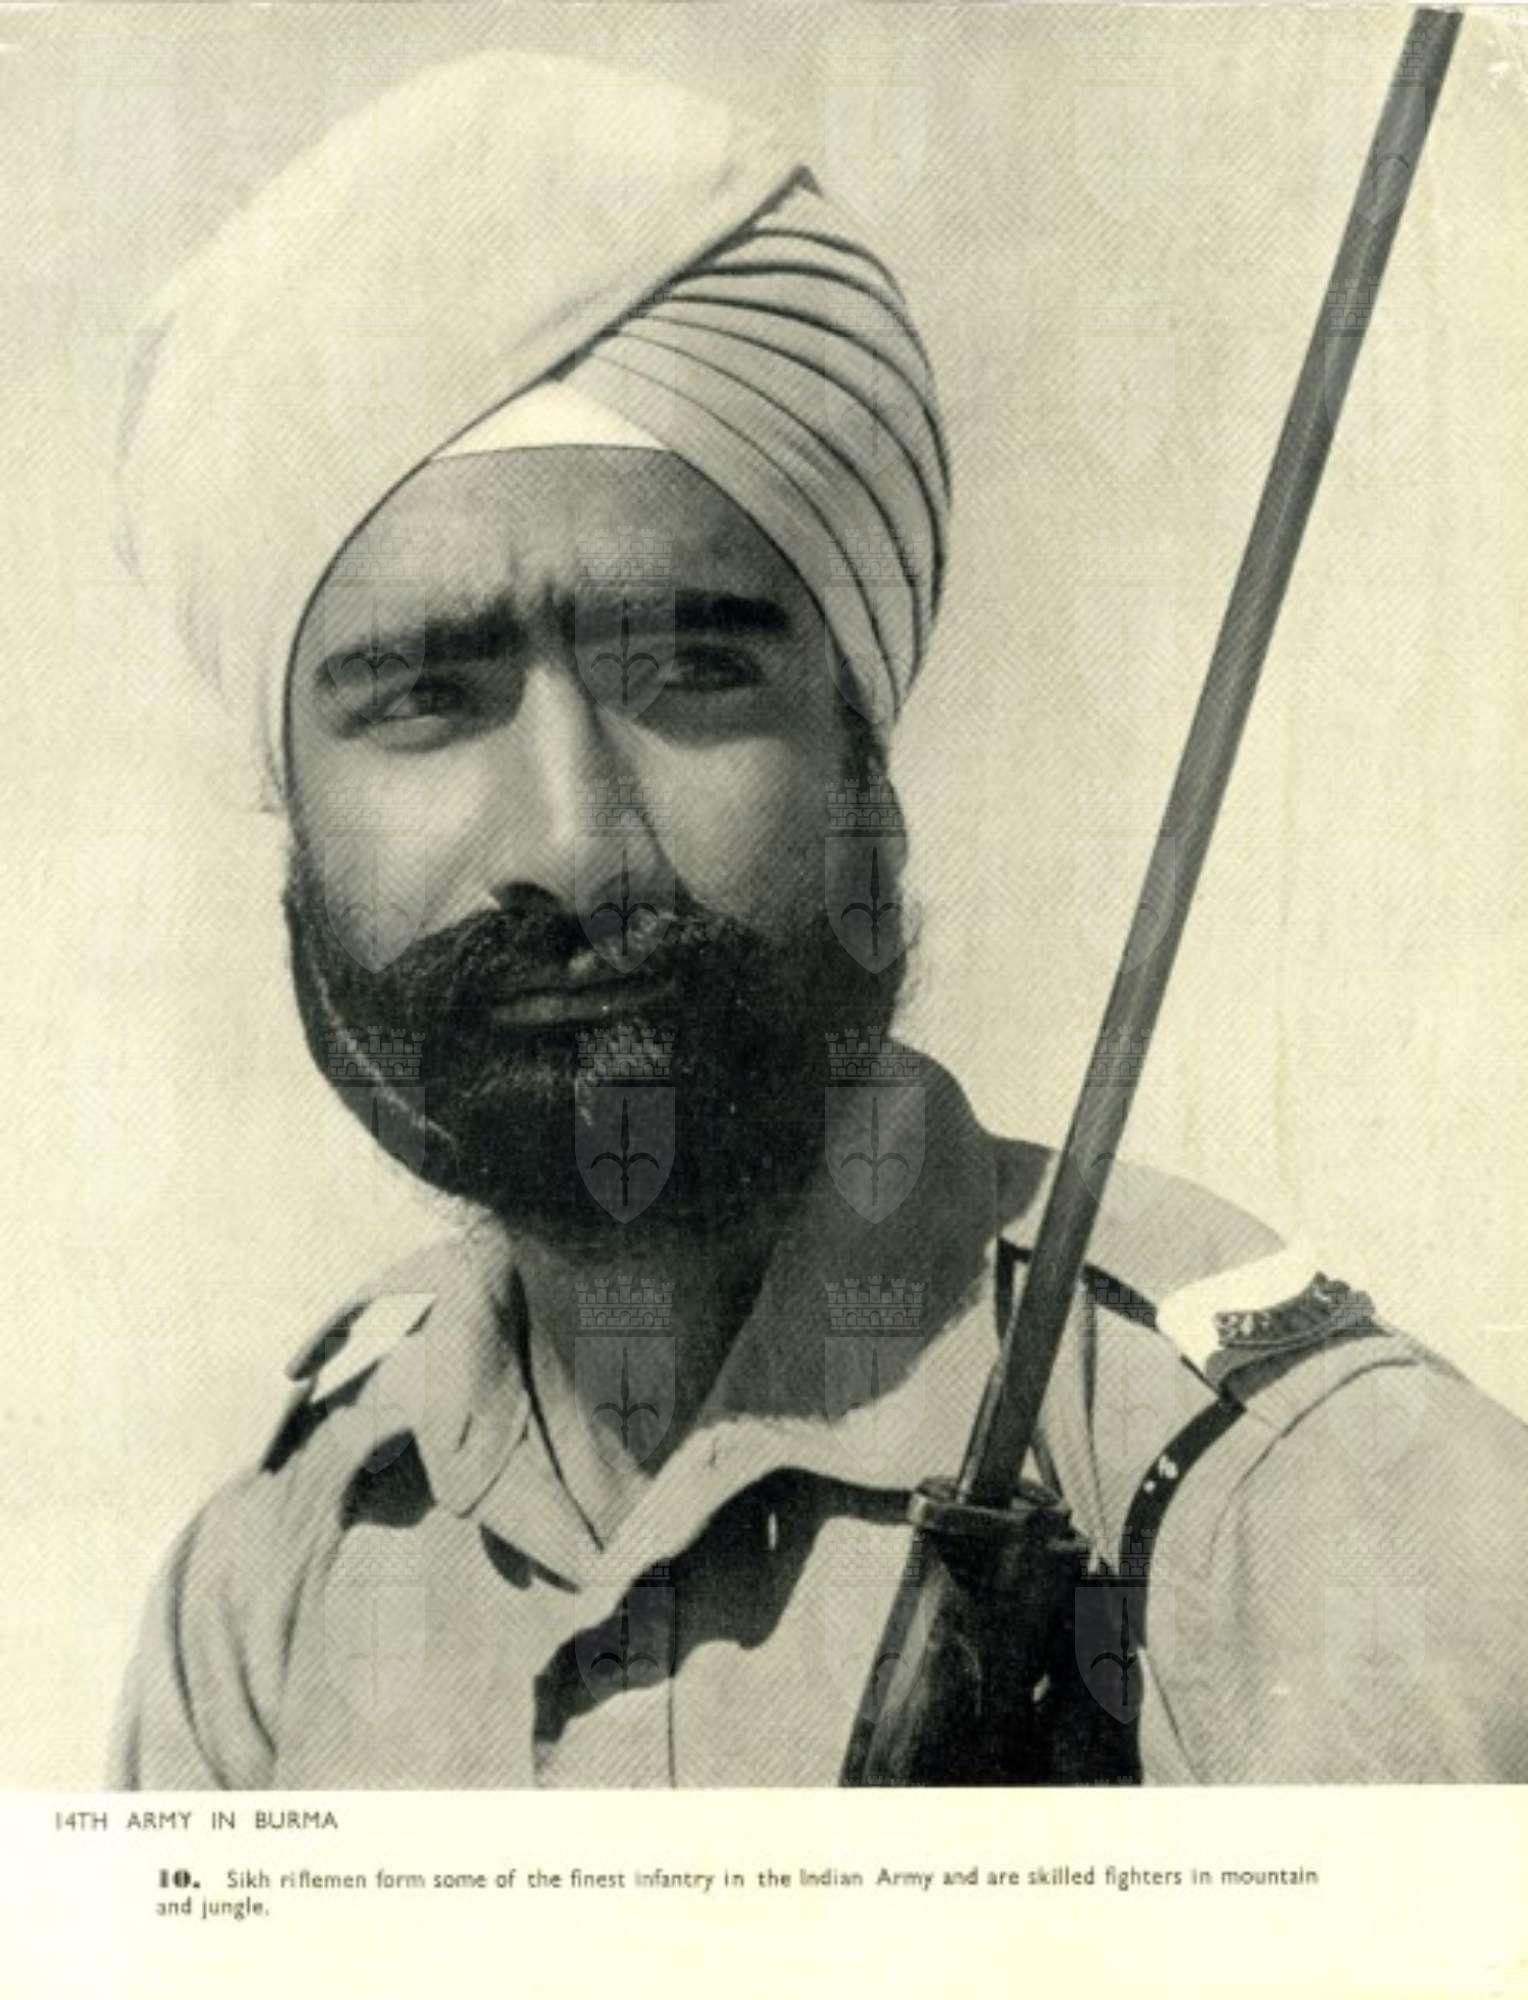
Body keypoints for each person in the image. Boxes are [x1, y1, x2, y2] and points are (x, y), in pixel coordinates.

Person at [109, 48, 1528, 1789]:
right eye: (425, 700)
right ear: (294, 812)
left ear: (866, 756)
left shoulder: (1314, 1530)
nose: (574, 841)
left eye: (692, 674)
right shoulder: (274, 1592)